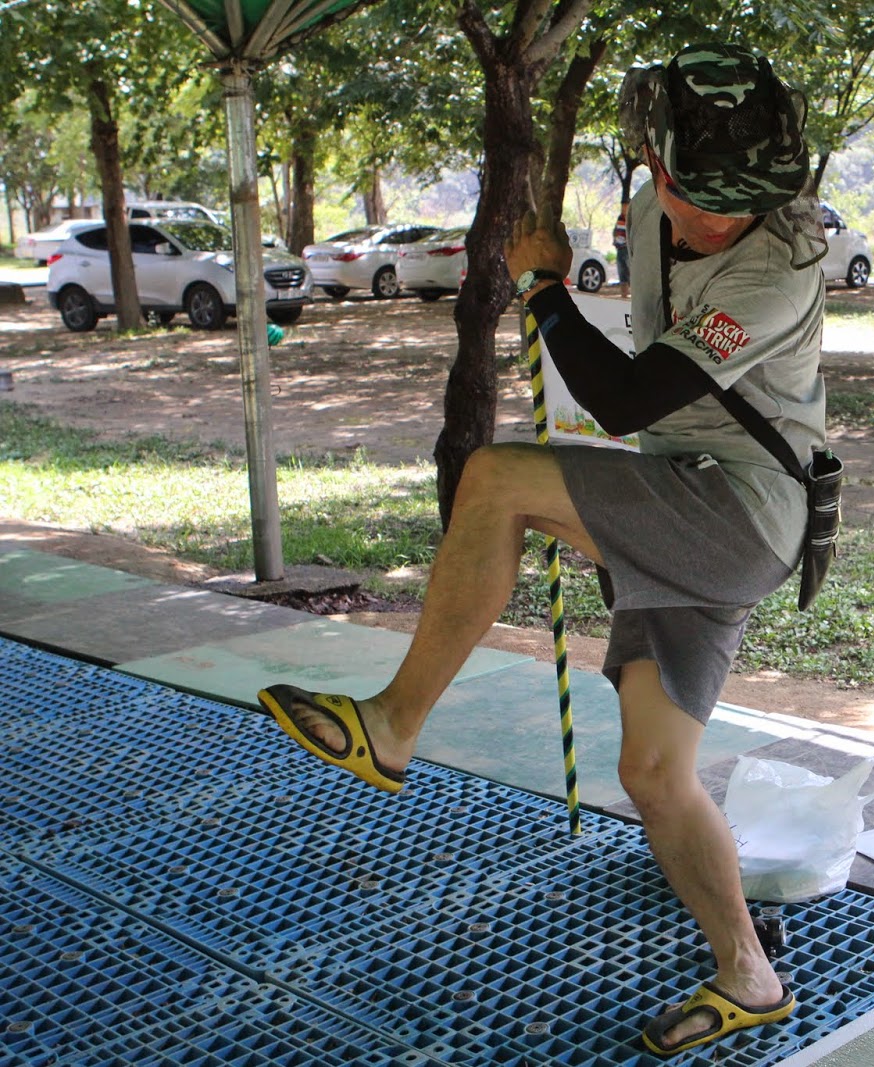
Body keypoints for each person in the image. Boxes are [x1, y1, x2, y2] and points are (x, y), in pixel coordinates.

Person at [257, 41, 826, 1058]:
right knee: (654, 773)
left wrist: (542, 284)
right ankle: (751, 974)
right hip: (683, 497)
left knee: (495, 479)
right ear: (653, 164)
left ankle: (391, 725)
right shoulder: (652, 210)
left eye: (745, 201)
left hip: (740, 511)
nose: (719, 219)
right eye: (700, 196)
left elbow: (624, 399)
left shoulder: (776, 265)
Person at [613, 200, 631, 299]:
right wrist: (615, 240)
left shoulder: (632, 218)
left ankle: (633, 295)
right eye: (622, 206)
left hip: (627, 249)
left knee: (630, 272)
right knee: (622, 273)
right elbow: (616, 230)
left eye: (625, 206)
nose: (623, 208)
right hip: (619, 248)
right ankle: (624, 295)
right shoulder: (620, 218)